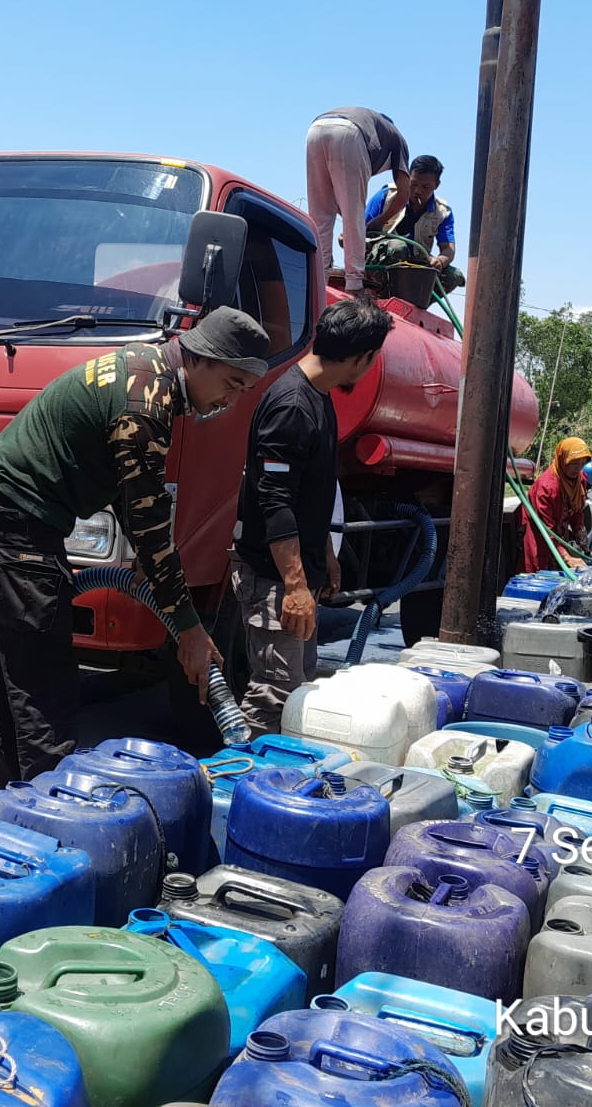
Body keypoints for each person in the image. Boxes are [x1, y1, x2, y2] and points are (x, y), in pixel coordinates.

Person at [0, 306, 272, 797]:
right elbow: (151, 533)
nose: (230, 401)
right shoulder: (146, 403)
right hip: (17, 521)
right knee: (42, 686)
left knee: (9, 673)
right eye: (231, 383)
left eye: (243, 391)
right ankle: (50, 820)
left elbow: (133, 506)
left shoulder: (146, 366)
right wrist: (190, 630)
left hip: (2, 511)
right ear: (201, 358)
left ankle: (5, 806)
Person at [232, 299, 395, 736]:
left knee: (298, 692)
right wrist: (295, 585)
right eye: (373, 358)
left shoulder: (319, 399)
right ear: (361, 357)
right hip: (273, 579)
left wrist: (326, 556)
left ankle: (277, 785)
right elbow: (275, 501)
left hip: (296, 573)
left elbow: (312, 495)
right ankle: (240, 791)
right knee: (275, 695)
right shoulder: (291, 405)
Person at [305, 107, 410, 295]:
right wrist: (378, 221)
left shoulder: (375, 125)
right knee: (354, 217)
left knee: (319, 215)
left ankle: (318, 281)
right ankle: (354, 285)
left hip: (315, 129)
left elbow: (335, 200)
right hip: (350, 133)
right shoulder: (397, 139)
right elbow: (403, 194)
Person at [363, 155, 463, 295]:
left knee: (454, 276)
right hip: (378, 265)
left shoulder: (443, 212)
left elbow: (448, 249)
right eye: (413, 184)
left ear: (437, 185)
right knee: (398, 247)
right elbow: (360, 228)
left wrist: (440, 261)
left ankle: (415, 305)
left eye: (425, 187)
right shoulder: (387, 196)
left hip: (414, 268)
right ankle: (381, 294)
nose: (418, 191)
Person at [521, 438, 592, 573]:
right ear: (562, 460)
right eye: (574, 464)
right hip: (541, 537)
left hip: (560, 536)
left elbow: (577, 509)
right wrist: (566, 557)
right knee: (540, 576)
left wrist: (580, 531)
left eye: (582, 464)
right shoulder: (547, 487)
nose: (578, 469)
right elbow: (546, 529)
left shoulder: (580, 479)